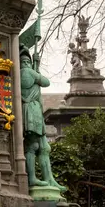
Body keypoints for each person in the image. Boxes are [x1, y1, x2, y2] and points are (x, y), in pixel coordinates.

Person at [20, 45, 65, 190]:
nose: (27, 64)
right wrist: (34, 68)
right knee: (32, 146)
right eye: (25, 61)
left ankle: (50, 179)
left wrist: (36, 65)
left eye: (28, 62)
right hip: (31, 111)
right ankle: (32, 178)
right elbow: (46, 82)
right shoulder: (26, 72)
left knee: (44, 147)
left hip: (35, 111)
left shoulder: (28, 71)